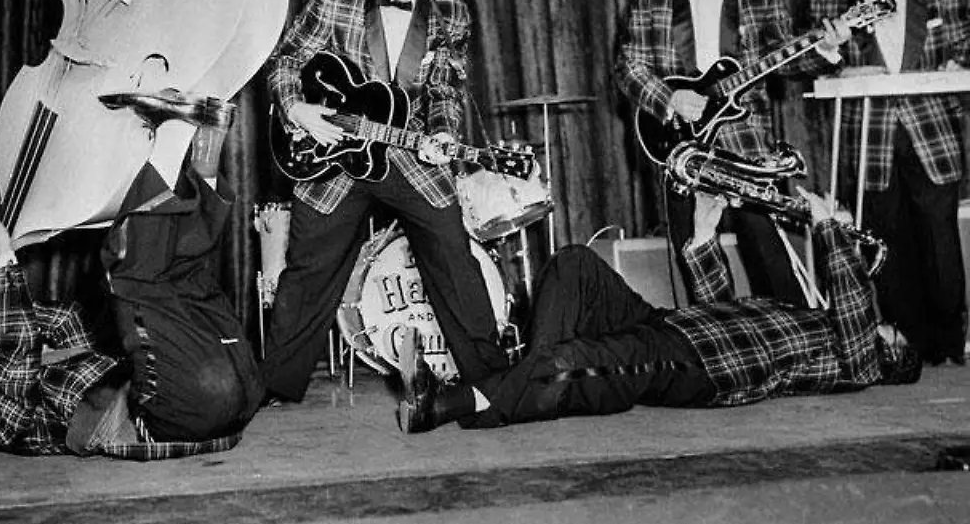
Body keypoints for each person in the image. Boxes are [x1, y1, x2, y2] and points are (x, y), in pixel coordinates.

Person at [396, 188, 923, 433]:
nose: (881, 322)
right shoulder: (813, 323)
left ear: (892, 354)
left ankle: (443, 406)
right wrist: (703, 237)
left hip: (694, 368)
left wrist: (828, 225)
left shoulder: (859, 364)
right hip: (669, 325)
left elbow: (853, 300)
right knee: (576, 265)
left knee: (575, 362)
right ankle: (513, 384)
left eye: (890, 330)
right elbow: (721, 309)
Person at [260, 0, 509, 402]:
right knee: (308, 270)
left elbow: (444, 89)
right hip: (334, 153)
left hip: (409, 154)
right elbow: (286, 60)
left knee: (454, 258)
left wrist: (443, 132)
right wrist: (296, 108)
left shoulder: (450, 12)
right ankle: (275, 385)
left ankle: (492, 381)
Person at [0, 120, 263, 458]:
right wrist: (3, 254)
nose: (1, 334)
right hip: (169, 414)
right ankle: (170, 139)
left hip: (231, 397)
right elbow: (15, 363)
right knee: (129, 277)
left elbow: (64, 320)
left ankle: (205, 153)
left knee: (184, 274)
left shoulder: (52, 365)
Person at [615, 0, 847, 308]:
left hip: (746, 141)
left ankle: (793, 335)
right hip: (681, 144)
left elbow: (786, 59)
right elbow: (628, 66)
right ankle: (716, 337)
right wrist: (669, 97)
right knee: (695, 254)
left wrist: (826, 48)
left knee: (769, 253)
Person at [805, 0, 970, 366]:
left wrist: (958, 61)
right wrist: (832, 55)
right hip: (868, 141)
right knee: (885, 244)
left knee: (939, 240)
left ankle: (950, 342)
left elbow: (964, 41)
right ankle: (905, 343)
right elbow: (806, 63)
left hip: (932, 135)